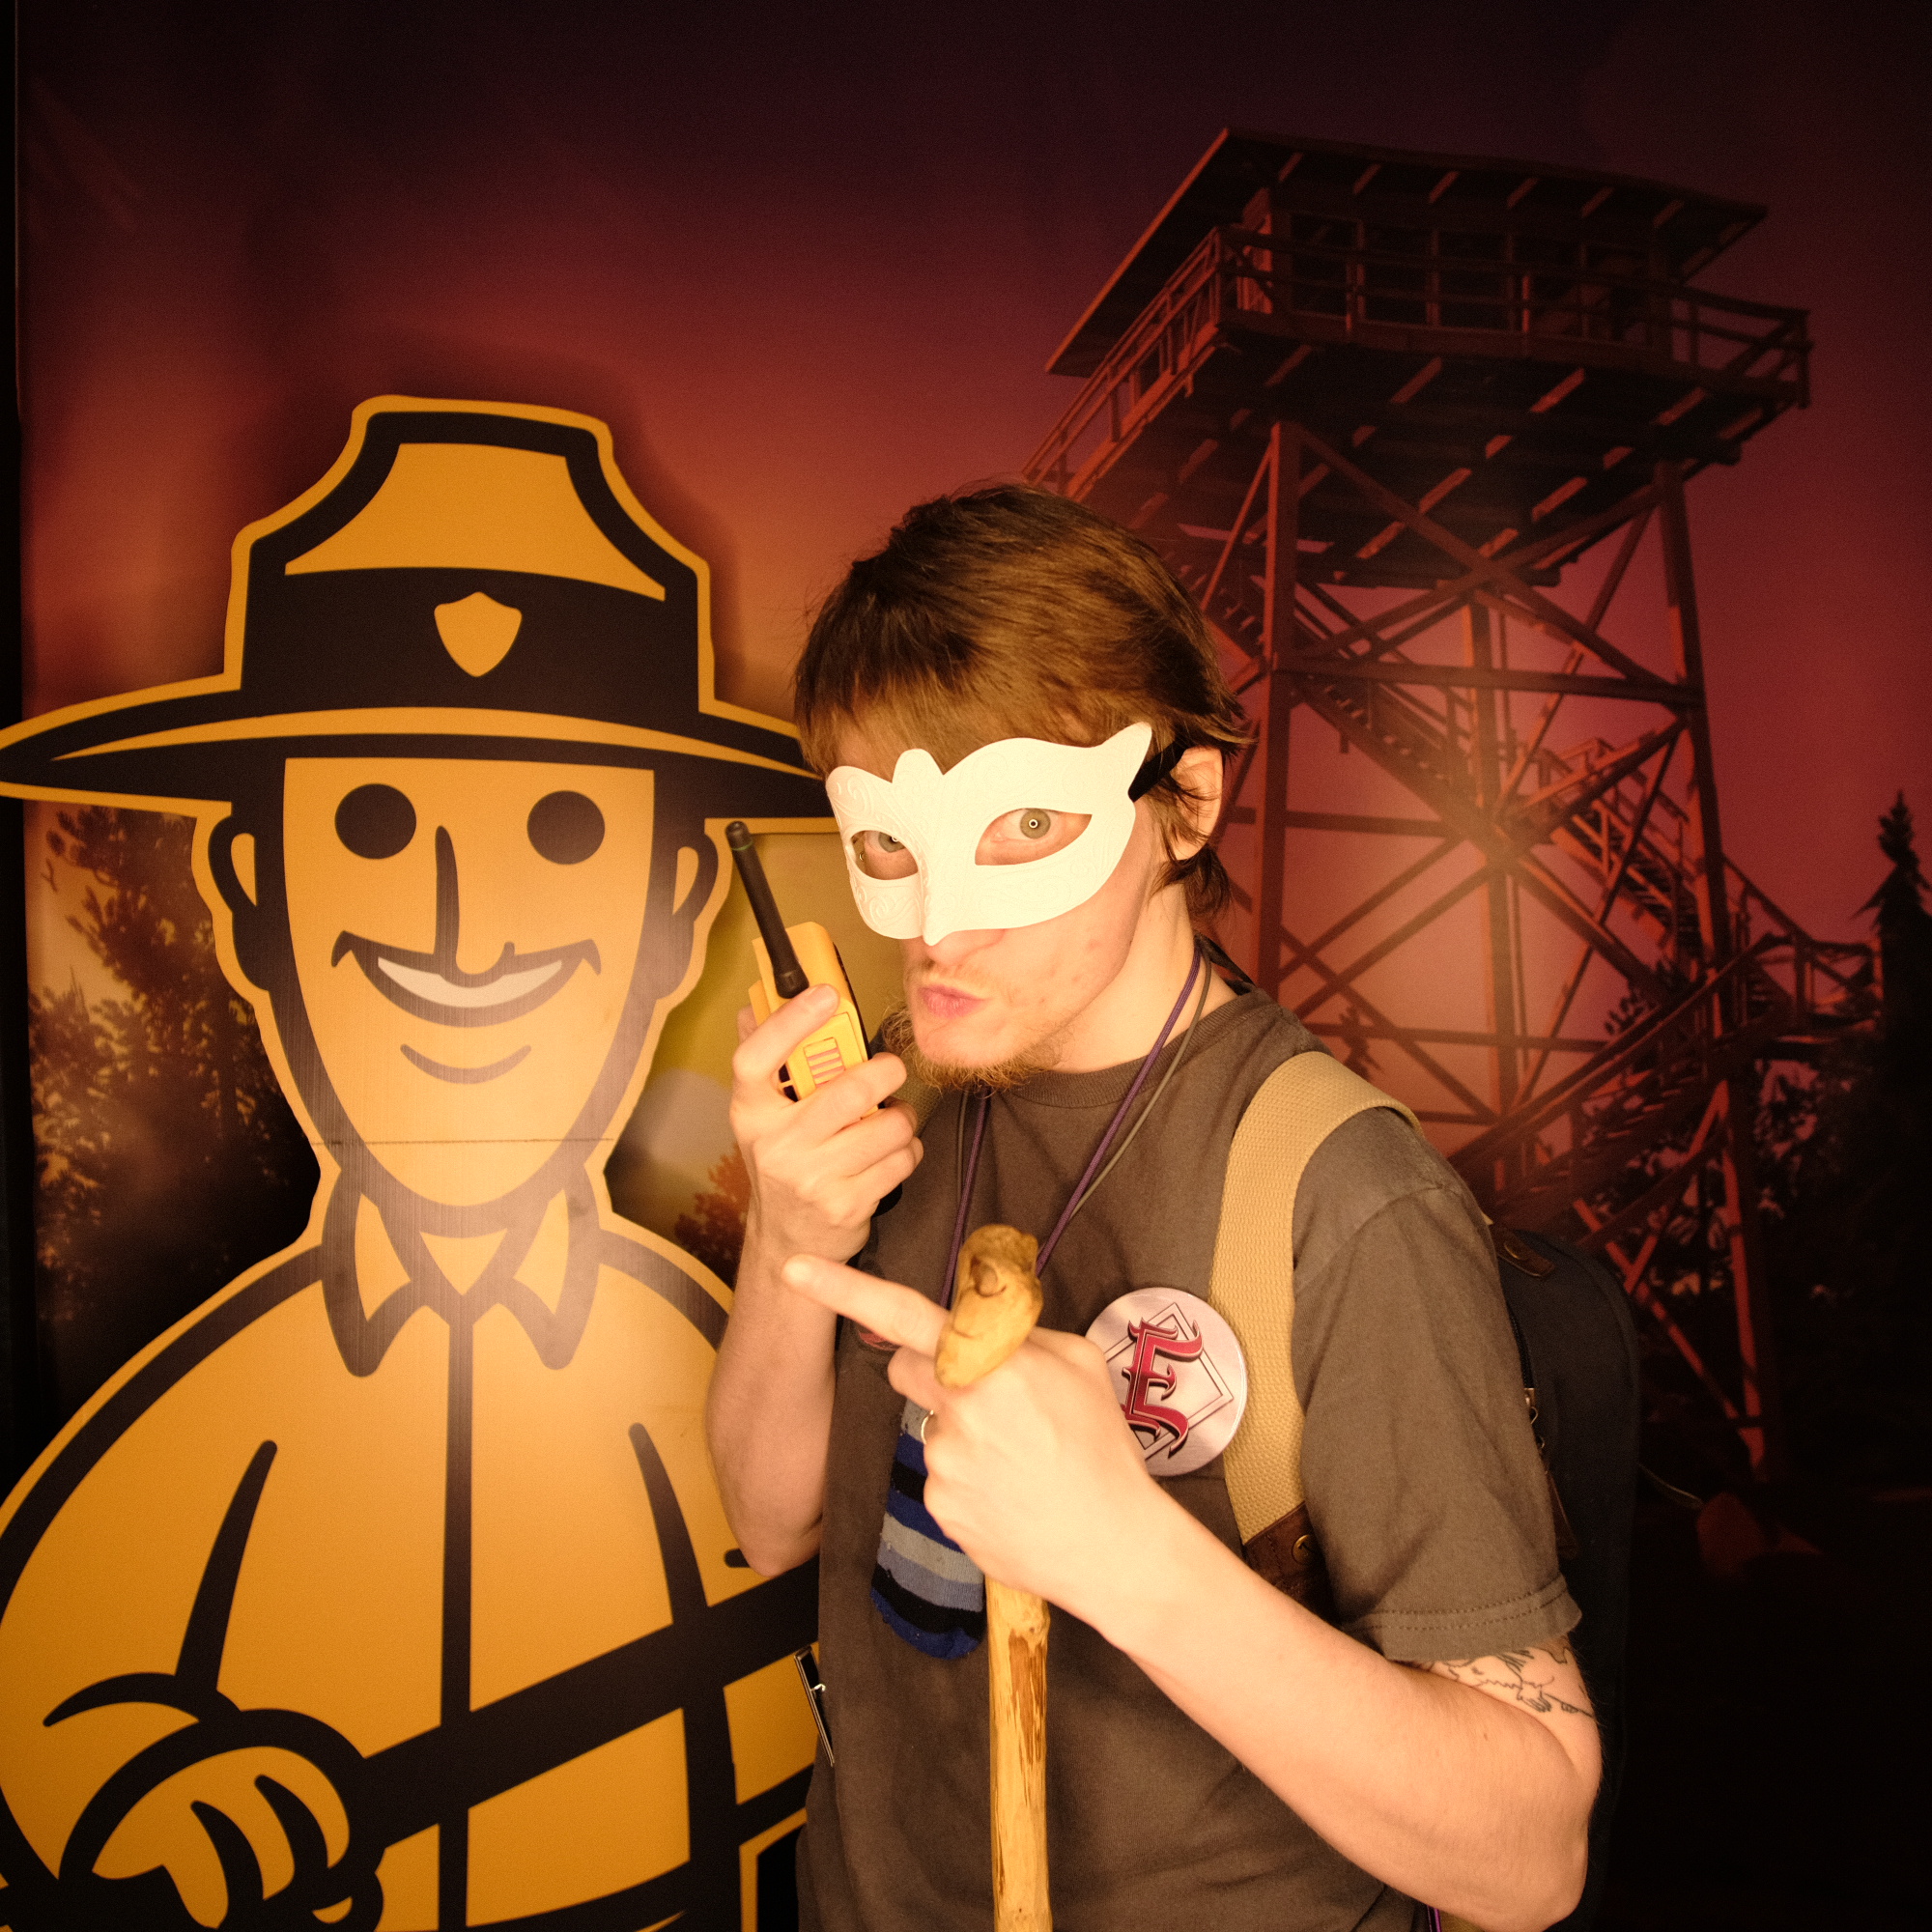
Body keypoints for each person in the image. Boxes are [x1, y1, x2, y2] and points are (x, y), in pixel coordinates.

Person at [708, 485, 1600, 1932]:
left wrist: (1126, 1555)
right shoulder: (887, 1108)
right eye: (890, 845)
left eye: (1023, 826)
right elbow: (770, 1521)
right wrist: (787, 1238)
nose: (944, 922)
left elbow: (1529, 1852)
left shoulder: (1340, 1194)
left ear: (1183, 801)